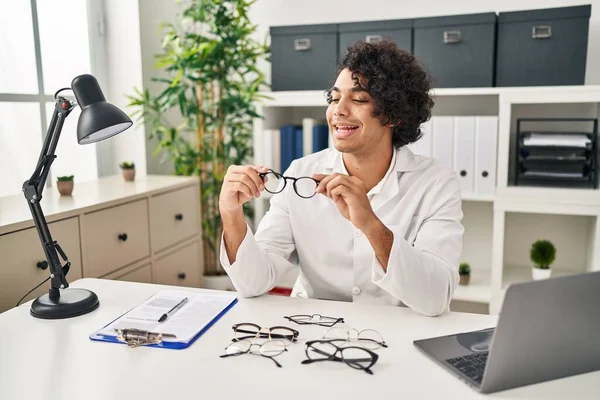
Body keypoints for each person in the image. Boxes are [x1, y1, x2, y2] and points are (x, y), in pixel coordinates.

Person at [218, 40, 464, 317]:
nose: (338, 110)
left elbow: (436, 298)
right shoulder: (300, 172)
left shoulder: (436, 183)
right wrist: (230, 213)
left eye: (358, 99)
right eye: (334, 98)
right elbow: (253, 282)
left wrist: (370, 224)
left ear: (395, 116)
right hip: (311, 330)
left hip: (397, 335)